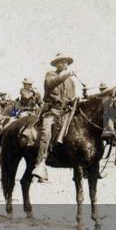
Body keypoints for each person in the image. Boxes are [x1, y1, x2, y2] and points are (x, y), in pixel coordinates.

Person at [33, 53, 78, 181]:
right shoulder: (50, 75)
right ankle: (39, 165)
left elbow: (72, 96)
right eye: (61, 61)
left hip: (66, 113)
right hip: (52, 111)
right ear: (56, 64)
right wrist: (66, 75)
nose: (64, 63)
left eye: (66, 62)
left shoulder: (71, 81)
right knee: (45, 134)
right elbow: (52, 83)